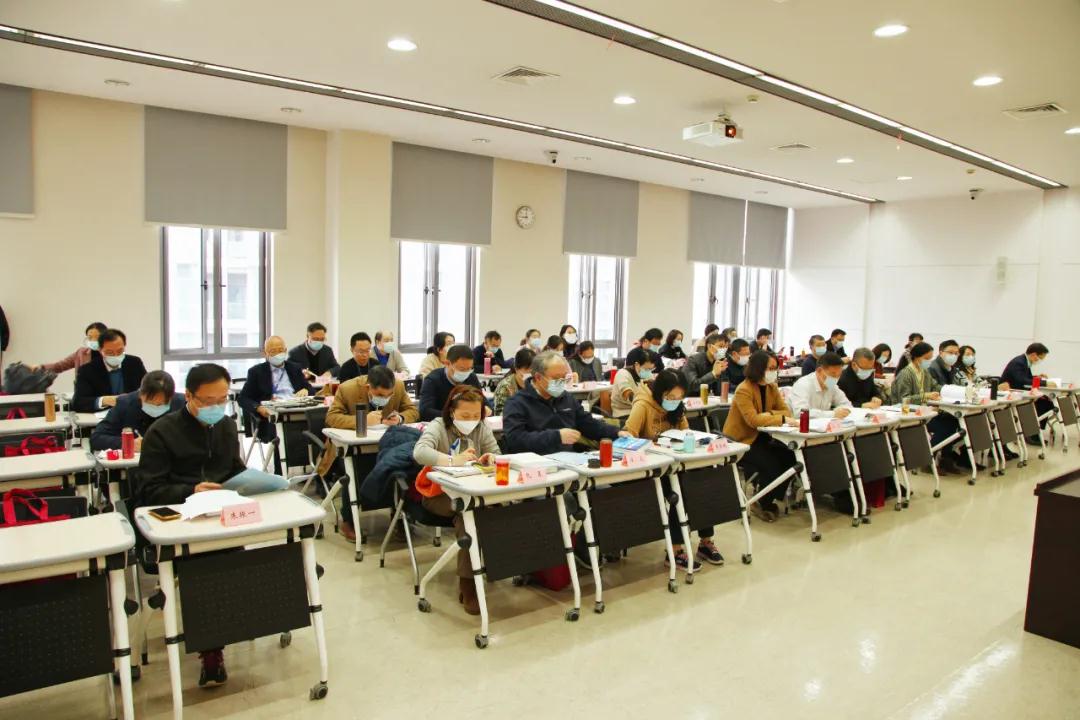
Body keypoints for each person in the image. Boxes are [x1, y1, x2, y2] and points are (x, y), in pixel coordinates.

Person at [137, 363, 246, 688]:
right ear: (189, 396)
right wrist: (191, 490)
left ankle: (236, 627)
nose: (217, 407)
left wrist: (251, 484)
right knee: (208, 567)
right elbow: (150, 491)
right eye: (209, 401)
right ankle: (211, 649)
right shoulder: (162, 432)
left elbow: (235, 470)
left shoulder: (226, 426)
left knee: (253, 559)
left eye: (223, 400)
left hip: (222, 519)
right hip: (179, 522)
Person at [414, 385, 500, 616]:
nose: (471, 420)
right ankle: (468, 583)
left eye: (475, 415)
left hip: (473, 490)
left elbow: (497, 453)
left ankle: (496, 567)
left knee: (494, 509)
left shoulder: (481, 428)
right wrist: (454, 460)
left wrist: (490, 458)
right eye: (465, 415)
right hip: (439, 494)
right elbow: (420, 453)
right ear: (452, 412)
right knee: (469, 514)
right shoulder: (438, 426)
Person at [624, 369, 723, 569]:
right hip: (651, 468)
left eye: (679, 398)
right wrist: (652, 445)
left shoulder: (677, 408)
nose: (675, 402)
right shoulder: (643, 405)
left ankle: (705, 541)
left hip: (675, 463)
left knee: (703, 481)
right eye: (670, 397)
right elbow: (627, 437)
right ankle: (675, 550)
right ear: (660, 392)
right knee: (681, 489)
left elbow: (686, 432)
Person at [323, 365, 419, 540]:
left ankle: (399, 516)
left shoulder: (398, 386)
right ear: (368, 387)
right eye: (380, 395)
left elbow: (412, 410)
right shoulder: (348, 389)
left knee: (402, 464)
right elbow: (331, 417)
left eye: (389, 395)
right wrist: (363, 420)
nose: (385, 398)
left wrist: (400, 418)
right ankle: (348, 520)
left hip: (386, 442)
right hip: (352, 446)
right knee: (355, 468)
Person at [722, 350, 798, 522]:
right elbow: (753, 420)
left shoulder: (772, 387)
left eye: (775, 368)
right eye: (770, 368)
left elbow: (786, 411)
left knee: (790, 457)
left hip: (763, 438)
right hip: (742, 441)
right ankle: (762, 502)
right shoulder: (744, 389)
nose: (774, 372)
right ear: (759, 368)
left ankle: (768, 497)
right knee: (772, 465)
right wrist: (778, 418)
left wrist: (768, 414)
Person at [502, 350, 625, 455]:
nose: (561, 382)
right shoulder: (517, 403)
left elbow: (588, 424)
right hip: (535, 463)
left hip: (568, 460)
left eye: (564, 377)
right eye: (556, 378)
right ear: (538, 377)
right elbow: (515, 440)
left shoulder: (566, 398)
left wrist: (617, 433)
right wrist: (557, 436)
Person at [890, 342, 961, 473]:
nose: (929, 361)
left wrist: (951, 391)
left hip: (923, 412)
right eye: (927, 358)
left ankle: (946, 458)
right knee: (944, 428)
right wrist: (926, 396)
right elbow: (903, 399)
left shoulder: (924, 372)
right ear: (917, 357)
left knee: (952, 422)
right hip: (908, 414)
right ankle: (927, 459)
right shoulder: (905, 374)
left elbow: (936, 386)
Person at [238, 336, 314, 455]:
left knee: (316, 423)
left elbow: (310, 389)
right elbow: (243, 398)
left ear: (285, 350)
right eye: (273, 351)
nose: (278, 354)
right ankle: (282, 464)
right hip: (273, 414)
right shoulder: (256, 372)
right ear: (265, 353)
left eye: (280, 350)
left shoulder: (294, 368)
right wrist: (258, 408)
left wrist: (306, 390)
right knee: (284, 435)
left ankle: (313, 462)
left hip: (297, 408)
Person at [90, 370, 183, 451]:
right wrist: (128, 443)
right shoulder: (125, 403)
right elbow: (96, 439)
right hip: (135, 463)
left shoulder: (182, 404)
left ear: (171, 397)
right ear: (140, 394)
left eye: (160, 404)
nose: (155, 407)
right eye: (150, 403)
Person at [72, 328, 148, 412]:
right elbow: (78, 403)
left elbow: (149, 389)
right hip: (101, 416)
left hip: (132, 413)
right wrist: (105, 400)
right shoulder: (87, 370)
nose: (115, 355)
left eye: (120, 351)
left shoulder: (135, 363)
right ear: (100, 350)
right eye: (109, 352)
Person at [1001, 342, 1054, 443]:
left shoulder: (1025, 361)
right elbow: (1022, 381)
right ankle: (1030, 434)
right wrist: (1045, 383)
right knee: (1043, 403)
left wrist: (1037, 377)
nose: (1040, 360)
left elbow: (1026, 379)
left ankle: (1035, 432)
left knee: (1046, 402)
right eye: (1040, 358)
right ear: (1034, 354)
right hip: (1012, 394)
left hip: (1020, 392)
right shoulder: (1019, 362)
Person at [419, 344, 482, 422]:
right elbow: (425, 411)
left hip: (470, 422)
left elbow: (484, 402)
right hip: (442, 424)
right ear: (447, 364)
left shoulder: (471, 377)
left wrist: (485, 409)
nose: (466, 373)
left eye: (469, 369)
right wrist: (454, 416)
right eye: (462, 369)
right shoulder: (432, 380)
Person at [788, 352, 853, 419]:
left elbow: (847, 404)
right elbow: (800, 413)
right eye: (833, 374)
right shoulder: (803, 385)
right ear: (819, 371)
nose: (836, 379)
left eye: (839, 375)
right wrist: (832, 414)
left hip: (822, 424)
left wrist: (842, 411)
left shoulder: (831, 385)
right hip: (798, 424)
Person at [35, 321, 107, 376]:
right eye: (90, 337)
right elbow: (59, 366)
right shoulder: (81, 353)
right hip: (84, 389)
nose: (93, 340)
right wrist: (41, 367)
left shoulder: (110, 353)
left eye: (97, 337)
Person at [611, 347, 656, 418]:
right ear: (637, 365)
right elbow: (628, 395)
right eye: (647, 369)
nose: (649, 372)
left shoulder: (644, 375)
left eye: (651, 369)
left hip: (641, 411)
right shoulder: (623, 374)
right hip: (624, 414)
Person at [493, 348, 535, 415]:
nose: (530, 374)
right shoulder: (506, 386)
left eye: (533, 371)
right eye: (527, 370)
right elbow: (499, 413)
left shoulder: (536, 384)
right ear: (516, 369)